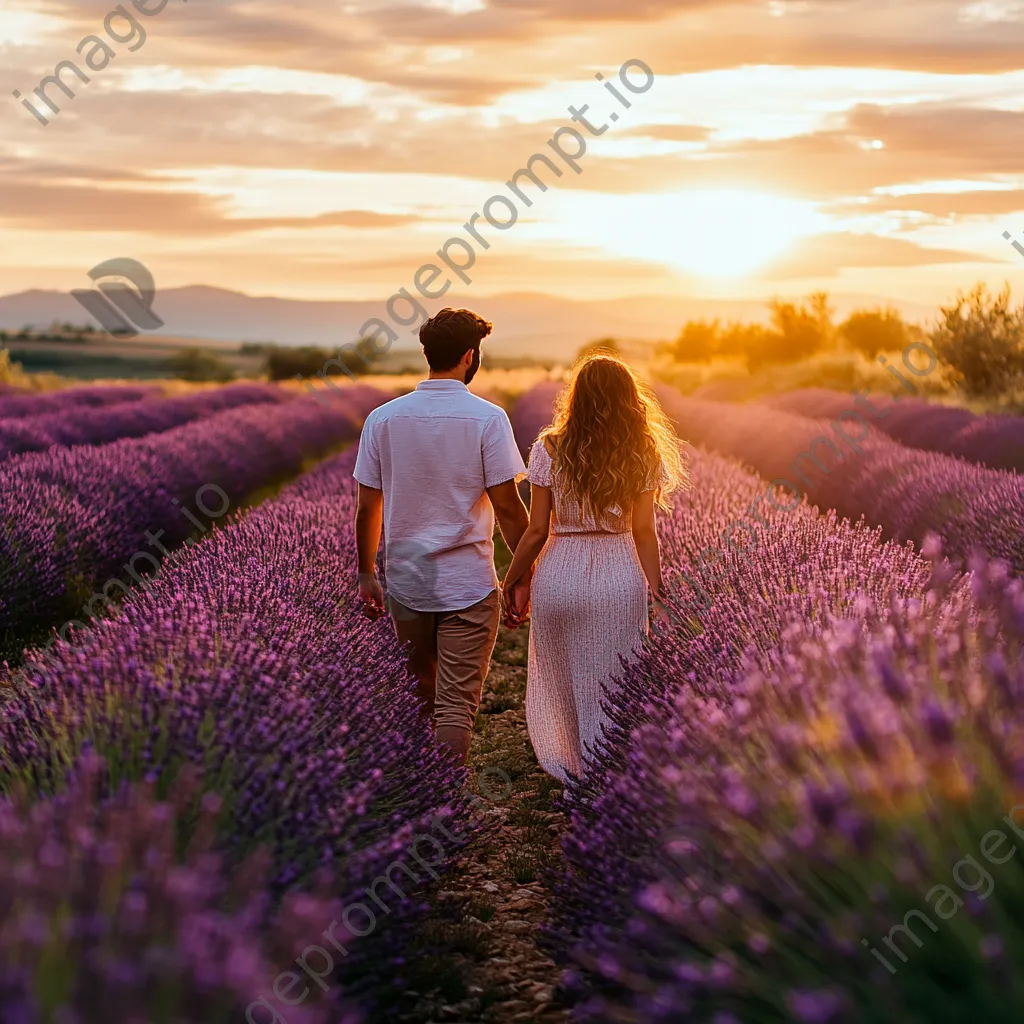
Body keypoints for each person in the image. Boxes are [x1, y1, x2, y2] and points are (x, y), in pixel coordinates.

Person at [353, 307, 529, 764]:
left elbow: (368, 507)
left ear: (428, 353)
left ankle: (419, 797)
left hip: (407, 583)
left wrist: (366, 574)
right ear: (470, 356)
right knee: (455, 708)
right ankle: (445, 804)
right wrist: (527, 570)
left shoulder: (383, 418)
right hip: (466, 583)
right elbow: (508, 506)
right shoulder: (487, 419)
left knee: (421, 698)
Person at [501, 354, 684, 783]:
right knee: (614, 678)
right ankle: (610, 775)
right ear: (630, 399)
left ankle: (573, 770)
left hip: (560, 573)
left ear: (576, 397)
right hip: (619, 572)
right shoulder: (643, 451)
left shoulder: (548, 447)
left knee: (563, 676)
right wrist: (659, 594)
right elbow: (643, 533)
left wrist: (514, 579)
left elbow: (536, 530)